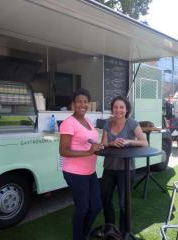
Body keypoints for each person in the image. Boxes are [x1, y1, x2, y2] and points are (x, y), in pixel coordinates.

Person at [59, 88, 103, 240]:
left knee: (96, 205)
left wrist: (98, 147)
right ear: (73, 104)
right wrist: (89, 152)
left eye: (85, 102)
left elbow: (90, 143)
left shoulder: (88, 121)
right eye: (79, 102)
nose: (82, 104)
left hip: (90, 171)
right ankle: (78, 237)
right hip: (75, 172)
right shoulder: (68, 123)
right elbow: (63, 151)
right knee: (82, 208)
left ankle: (83, 233)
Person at [101, 96, 148, 235]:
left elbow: (145, 143)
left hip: (126, 170)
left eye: (121, 107)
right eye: (116, 107)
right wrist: (111, 143)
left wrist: (128, 142)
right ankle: (111, 229)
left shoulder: (132, 123)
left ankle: (123, 232)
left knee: (123, 204)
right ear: (112, 109)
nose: (118, 110)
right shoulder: (107, 123)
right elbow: (103, 143)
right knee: (105, 200)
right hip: (109, 168)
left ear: (127, 109)